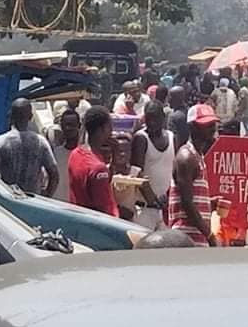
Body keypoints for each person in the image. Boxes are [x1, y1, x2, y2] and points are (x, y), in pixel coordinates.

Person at [169, 104, 219, 246]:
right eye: (207, 125)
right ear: (193, 128)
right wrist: (210, 235)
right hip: (185, 238)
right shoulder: (187, 157)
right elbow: (187, 203)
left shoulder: (198, 156)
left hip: (194, 238)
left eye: (213, 124)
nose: (212, 129)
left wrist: (210, 203)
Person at [0, 98, 59, 196]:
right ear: (31, 116)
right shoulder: (41, 142)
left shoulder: (0, 142)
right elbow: (54, 175)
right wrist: (47, 196)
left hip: (9, 200)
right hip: (34, 201)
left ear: (11, 116)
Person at [130, 100, 175, 230]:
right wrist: (152, 199)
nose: (152, 122)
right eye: (149, 118)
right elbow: (136, 172)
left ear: (163, 118)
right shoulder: (141, 138)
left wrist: (168, 195)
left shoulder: (172, 137)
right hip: (145, 209)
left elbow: (175, 171)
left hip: (165, 209)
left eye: (155, 118)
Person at [69, 106, 119, 217]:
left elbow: (101, 183)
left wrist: (114, 159)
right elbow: (104, 208)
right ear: (102, 129)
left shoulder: (75, 154)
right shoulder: (98, 168)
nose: (111, 131)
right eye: (110, 126)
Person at [48, 109, 81, 202]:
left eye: (71, 125)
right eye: (65, 125)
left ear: (79, 126)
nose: (68, 128)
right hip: (57, 205)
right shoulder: (56, 154)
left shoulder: (86, 154)